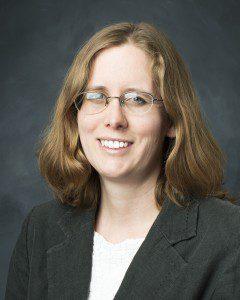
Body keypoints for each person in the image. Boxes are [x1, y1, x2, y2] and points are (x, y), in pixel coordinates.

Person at [5, 22, 240, 300]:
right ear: (75, 113)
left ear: (173, 120)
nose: (114, 119)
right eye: (96, 97)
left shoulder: (228, 235)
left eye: (137, 100)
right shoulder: (40, 229)